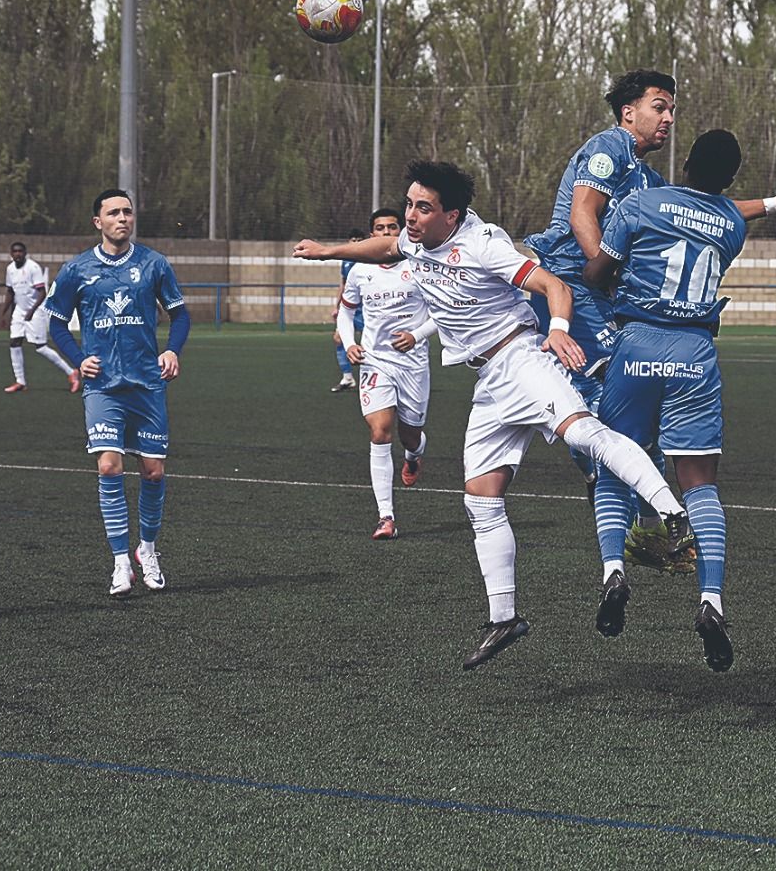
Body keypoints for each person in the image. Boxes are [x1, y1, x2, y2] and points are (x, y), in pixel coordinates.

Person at [294, 160, 691, 671]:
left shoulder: (484, 245)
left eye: (423, 208)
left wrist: (559, 328)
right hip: (487, 382)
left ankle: (672, 513)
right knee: (480, 498)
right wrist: (329, 250)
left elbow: (555, 287)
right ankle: (504, 617)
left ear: (452, 215)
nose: (410, 217)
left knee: (587, 434)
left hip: (521, 358)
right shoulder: (415, 240)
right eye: (409, 204)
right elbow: (387, 247)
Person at [583, 130, 776, 671]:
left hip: (636, 347)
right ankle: (711, 601)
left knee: (617, 470)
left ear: (683, 162)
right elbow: (719, 211)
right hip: (694, 355)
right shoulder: (732, 227)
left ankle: (614, 572)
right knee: (700, 486)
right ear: (730, 179)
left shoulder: (639, 204)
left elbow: (597, 272)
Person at [523, 70, 682, 569]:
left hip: (599, 296)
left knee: (627, 401)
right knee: (617, 395)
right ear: (629, 111)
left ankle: (611, 489)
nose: (669, 118)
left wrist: (770, 204)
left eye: (673, 110)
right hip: (569, 285)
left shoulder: (647, 177)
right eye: (660, 106)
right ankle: (653, 525)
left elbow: (700, 209)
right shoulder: (608, 147)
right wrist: (602, 269)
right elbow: (581, 213)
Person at [45, 189, 190, 597]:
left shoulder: (154, 264)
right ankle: (120, 562)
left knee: (153, 472)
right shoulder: (76, 270)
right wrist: (77, 357)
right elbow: (55, 323)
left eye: (127, 212)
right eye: (113, 213)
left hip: (147, 384)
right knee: (109, 467)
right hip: (102, 387)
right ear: (98, 222)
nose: (122, 218)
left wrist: (172, 351)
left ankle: (147, 549)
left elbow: (180, 315)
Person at [337, 207, 435, 541]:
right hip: (376, 361)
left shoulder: (419, 265)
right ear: (371, 234)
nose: (386, 232)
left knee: (410, 436)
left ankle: (414, 456)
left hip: (413, 364)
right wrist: (350, 343)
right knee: (380, 431)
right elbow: (345, 313)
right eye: (379, 228)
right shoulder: (360, 271)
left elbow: (441, 313)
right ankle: (386, 517)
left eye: (392, 227)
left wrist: (416, 336)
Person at [0, 241, 80, 394]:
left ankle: (71, 372)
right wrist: (3, 313)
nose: (17, 254)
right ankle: (20, 381)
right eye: (14, 251)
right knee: (14, 342)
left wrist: (31, 311)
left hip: (35, 311)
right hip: (20, 310)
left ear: (25, 253)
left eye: (20, 251)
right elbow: (10, 291)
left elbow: (42, 292)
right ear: (11, 254)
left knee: (40, 347)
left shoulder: (33, 268)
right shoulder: (10, 269)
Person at [328, 228, 367, 392]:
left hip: (367, 309)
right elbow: (343, 285)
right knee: (338, 338)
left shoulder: (369, 259)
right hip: (350, 309)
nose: (356, 243)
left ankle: (377, 377)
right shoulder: (346, 261)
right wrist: (336, 306)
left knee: (371, 343)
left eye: (359, 240)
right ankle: (348, 378)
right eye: (353, 240)